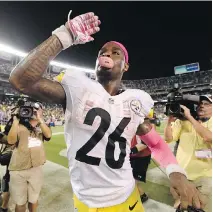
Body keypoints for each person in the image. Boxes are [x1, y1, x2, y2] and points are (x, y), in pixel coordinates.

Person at [9, 11, 204, 212]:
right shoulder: (76, 88)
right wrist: (64, 35)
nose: (106, 54)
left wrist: (176, 173)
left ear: (125, 66)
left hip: (128, 198)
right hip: (86, 202)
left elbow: (154, 143)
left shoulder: (134, 101)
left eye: (115, 52)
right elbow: (21, 80)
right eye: (102, 52)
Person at [164, 95, 212, 212]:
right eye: (201, 103)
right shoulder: (183, 122)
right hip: (183, 174)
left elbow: (208, 137)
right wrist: (169, 122)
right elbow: (168, 138)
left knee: (199, 207)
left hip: (203, 176)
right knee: (182, 207)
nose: (202, 106)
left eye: (207, 104)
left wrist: (190, 117)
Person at [7, 103, 52, 212]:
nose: (33, 111)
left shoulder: (42, 126)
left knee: (34, 200)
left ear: (41, 111)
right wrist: (16, 121)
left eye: (37, 109)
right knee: (20, 202)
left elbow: (48, 135)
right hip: (18, 169)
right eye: (31, 109)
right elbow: (10, 141)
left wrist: (40, 119)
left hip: (36, 168)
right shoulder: (18, 125)